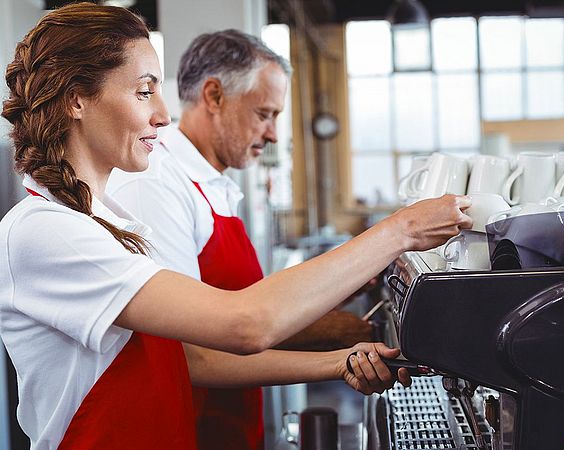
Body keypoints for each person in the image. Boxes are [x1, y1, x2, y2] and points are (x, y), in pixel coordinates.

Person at [0, 3, 472, 449]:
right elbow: (243, 324)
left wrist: (339, 362)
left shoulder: (108, 221)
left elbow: (189, 360)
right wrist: (402, 230)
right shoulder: (47, 231)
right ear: (77, 99)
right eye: (144, 91)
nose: (163, 116)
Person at [106, 29, 374, 450]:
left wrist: (344, 288)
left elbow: (251, 305)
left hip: (230, 426)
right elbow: (189, 355)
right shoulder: (156, 183)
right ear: (214, 96)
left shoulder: (216, 185)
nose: (271, 135)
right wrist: (340, 355)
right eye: (265, 114)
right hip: (184, 431)